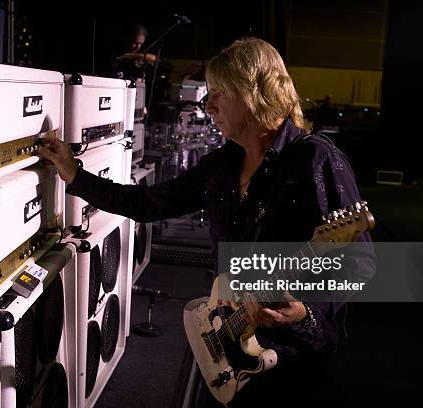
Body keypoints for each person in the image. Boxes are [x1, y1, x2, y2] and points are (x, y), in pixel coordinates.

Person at [40, 37, 375, 405]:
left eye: (218, 93)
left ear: (254, 92)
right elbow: (149, 203)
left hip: (289, 360)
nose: (208, 104)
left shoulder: (316, 159)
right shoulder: (223, 164)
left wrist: (304, 312)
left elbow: (358, 265)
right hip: (226, 337)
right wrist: (75, 175)